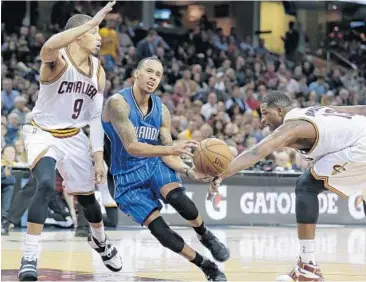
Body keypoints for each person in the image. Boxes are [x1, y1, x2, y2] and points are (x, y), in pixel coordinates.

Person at [210, 91, 366, 281]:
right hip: (360, 139)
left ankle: (307, 267)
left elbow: (257, 151)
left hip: (361, 146)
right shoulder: (314, 111)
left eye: (266, 113)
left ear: (280, 110)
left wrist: (222, 174)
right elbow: (357, 110)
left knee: (306, 186)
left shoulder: (293, 126)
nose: (263, 120)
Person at [18, 1, 122, 281]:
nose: (99, 38)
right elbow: (48, 44)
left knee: (89, 201)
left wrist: (99, 158)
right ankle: (29, 257)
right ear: (78, 34)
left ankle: (100, 241)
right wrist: (90, 21)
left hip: (74, 136)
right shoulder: (58, 59)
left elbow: (95, 118)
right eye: (93, 32)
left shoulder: (98, 70)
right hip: (43, 133)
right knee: (46, 184)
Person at [102, 57, 229, 281]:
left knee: (180, 199)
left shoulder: (162, 110)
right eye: (149, 72)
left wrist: (190, 171)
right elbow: (132, 147)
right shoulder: (118, 103)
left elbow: (169, 154)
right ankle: (206, 266)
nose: (153, 77)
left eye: (158, 74)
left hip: (153, 163)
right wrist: (169, 150)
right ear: (136, 74)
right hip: (123, 175)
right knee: (160, 230)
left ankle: (205, 234)